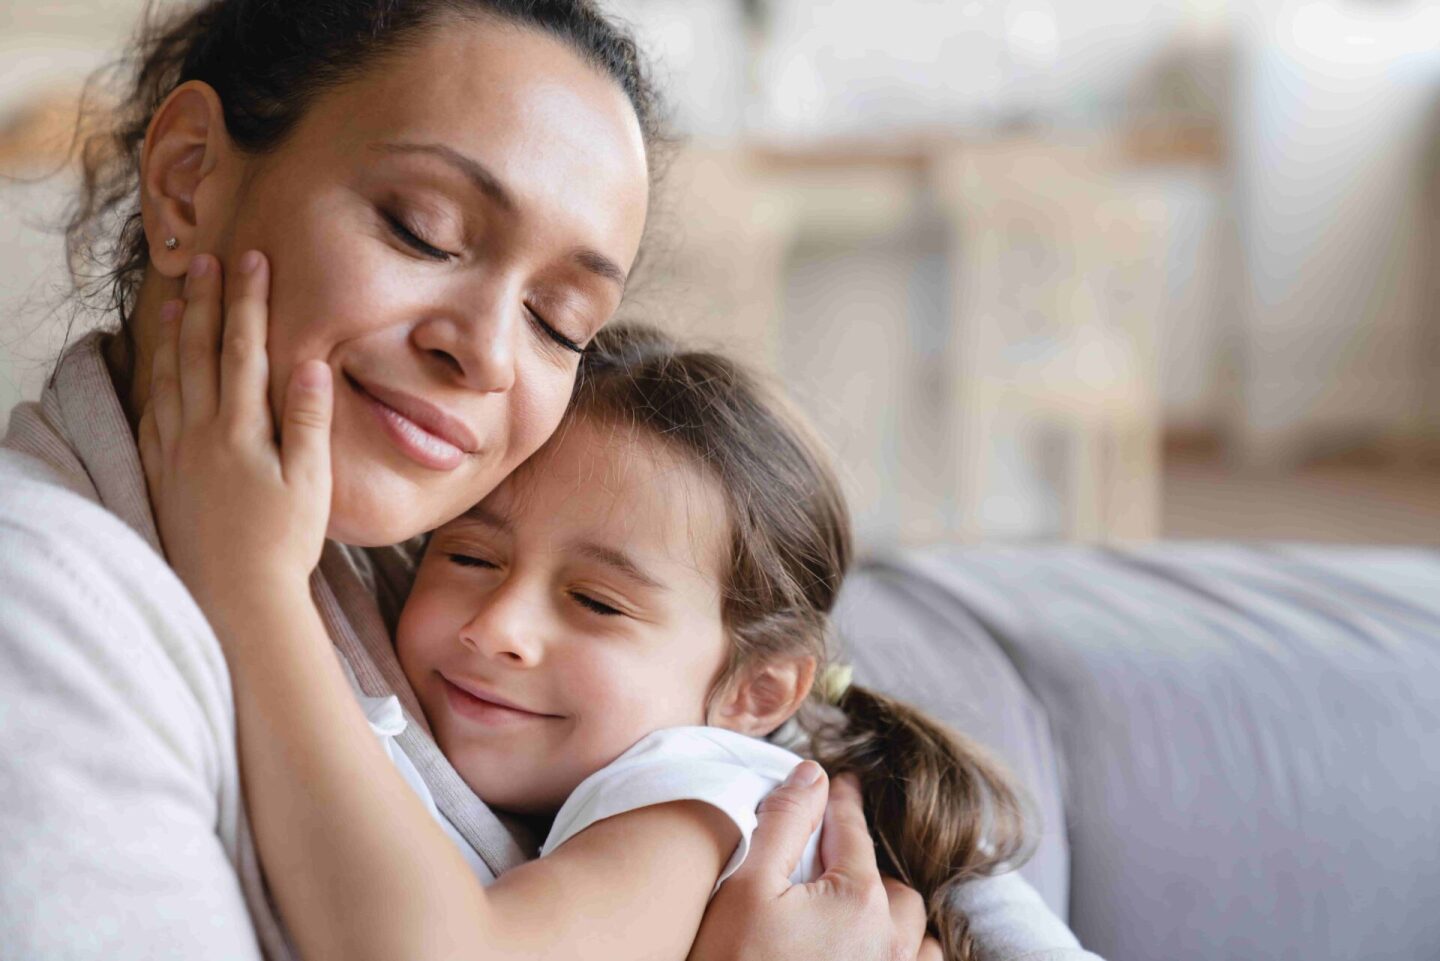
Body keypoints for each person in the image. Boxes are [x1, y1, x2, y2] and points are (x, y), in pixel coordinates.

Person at [0, 2, 1100, 959]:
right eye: (421, 230)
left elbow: (867, 794)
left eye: (558, 319)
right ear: (189, 176)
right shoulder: (49, 611)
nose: (483, 352)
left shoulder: (400, 526)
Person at [141, 313, 1033, 960]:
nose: (499, 627)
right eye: (469, 556)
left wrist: (252, 583)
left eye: (598, 603)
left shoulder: (697, 800)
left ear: (755, 693)